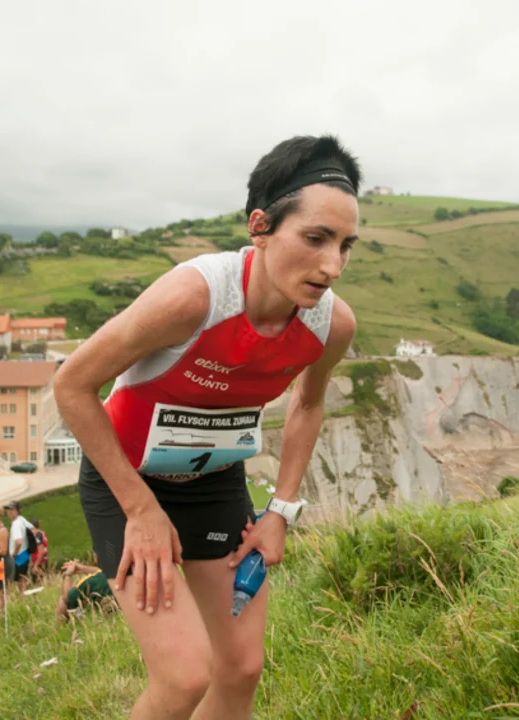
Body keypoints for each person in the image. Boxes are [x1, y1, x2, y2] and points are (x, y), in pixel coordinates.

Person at [54, 134, 361, 720]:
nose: (332, 266)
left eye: (346, 245)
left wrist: (280, 511)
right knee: (184, 677)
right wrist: (142, 511)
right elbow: (72, 384)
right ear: (260, 226)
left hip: (216, 483)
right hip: (127, 484)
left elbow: (308, 404)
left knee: (240, 669)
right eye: (315, 238)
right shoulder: (193, 298)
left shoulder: (332, 325)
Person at [55, 559, 114, 624]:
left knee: (62, 600)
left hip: (94, 619)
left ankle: (65, 628)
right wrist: (82, 568)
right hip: (116, 615)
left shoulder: (89, 581)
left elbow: (67, 596)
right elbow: (99, 572)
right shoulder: (114, 574)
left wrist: (67, 574)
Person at [4, 500, 34, 594]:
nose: (9, 512)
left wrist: (14, 554)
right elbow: (33, 529)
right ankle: (24, 596)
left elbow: (19, 541)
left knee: (17, 581)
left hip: (19, 557)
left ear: (17, 510)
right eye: (8, 510)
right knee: (22, 578)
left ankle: (22, 597)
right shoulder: (21, 519)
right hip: (25, 553)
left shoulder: (16, 524)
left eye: (12, 510)